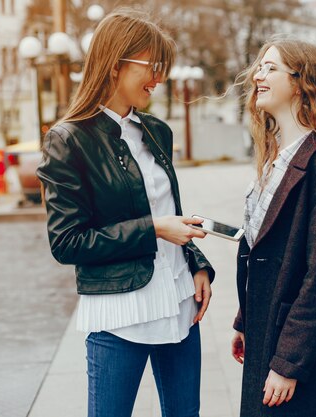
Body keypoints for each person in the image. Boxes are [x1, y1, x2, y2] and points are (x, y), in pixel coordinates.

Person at [36, 10, 214, 417]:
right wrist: (153, 230)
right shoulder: (67, 139)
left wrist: (197, 263)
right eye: (152, 67)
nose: (159, 78)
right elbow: (67, 242)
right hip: (120, 315)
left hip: (181, 303)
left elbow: (171, 212)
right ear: (115, 64)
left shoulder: (156, 130)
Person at [231, 36, 316, 417]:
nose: (258, 74)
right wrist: (245, 320)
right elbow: (262, 248)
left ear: (302, 82)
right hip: (268, 326)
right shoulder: (276, 157)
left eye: (270, 68)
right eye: (259, 66)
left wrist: (288, 362)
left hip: (307, 348)